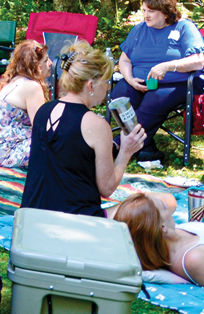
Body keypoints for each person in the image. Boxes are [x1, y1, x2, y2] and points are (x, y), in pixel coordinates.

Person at [21, 42, 147, 217]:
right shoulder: (96, 125)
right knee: (161, 203)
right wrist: (126, 151)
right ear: (90, 86)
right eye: (105, 81)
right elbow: (107, 188)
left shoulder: (43, 111)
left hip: (31, 218)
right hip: (77, 223)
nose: (108, 87)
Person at [112, 0, 204, 164]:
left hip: (173, 84)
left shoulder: (184, 27)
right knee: (120, 97)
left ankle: (117, 145)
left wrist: (168, 66)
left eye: (151, 11)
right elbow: (124, 60)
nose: (146, 16)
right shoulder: (139, 30)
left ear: (165, 12)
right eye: (144, 11)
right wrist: (130, 79)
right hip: (138, 81)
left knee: (154, 101)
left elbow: (198, 61)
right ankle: (145, 146)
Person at [0, 39, 52, 169]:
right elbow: (41, 128)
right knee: (58, 145)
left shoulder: (11, 81)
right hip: (0, 154)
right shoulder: (32, 86)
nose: (50, 64)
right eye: (46, 61)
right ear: (36, 66)